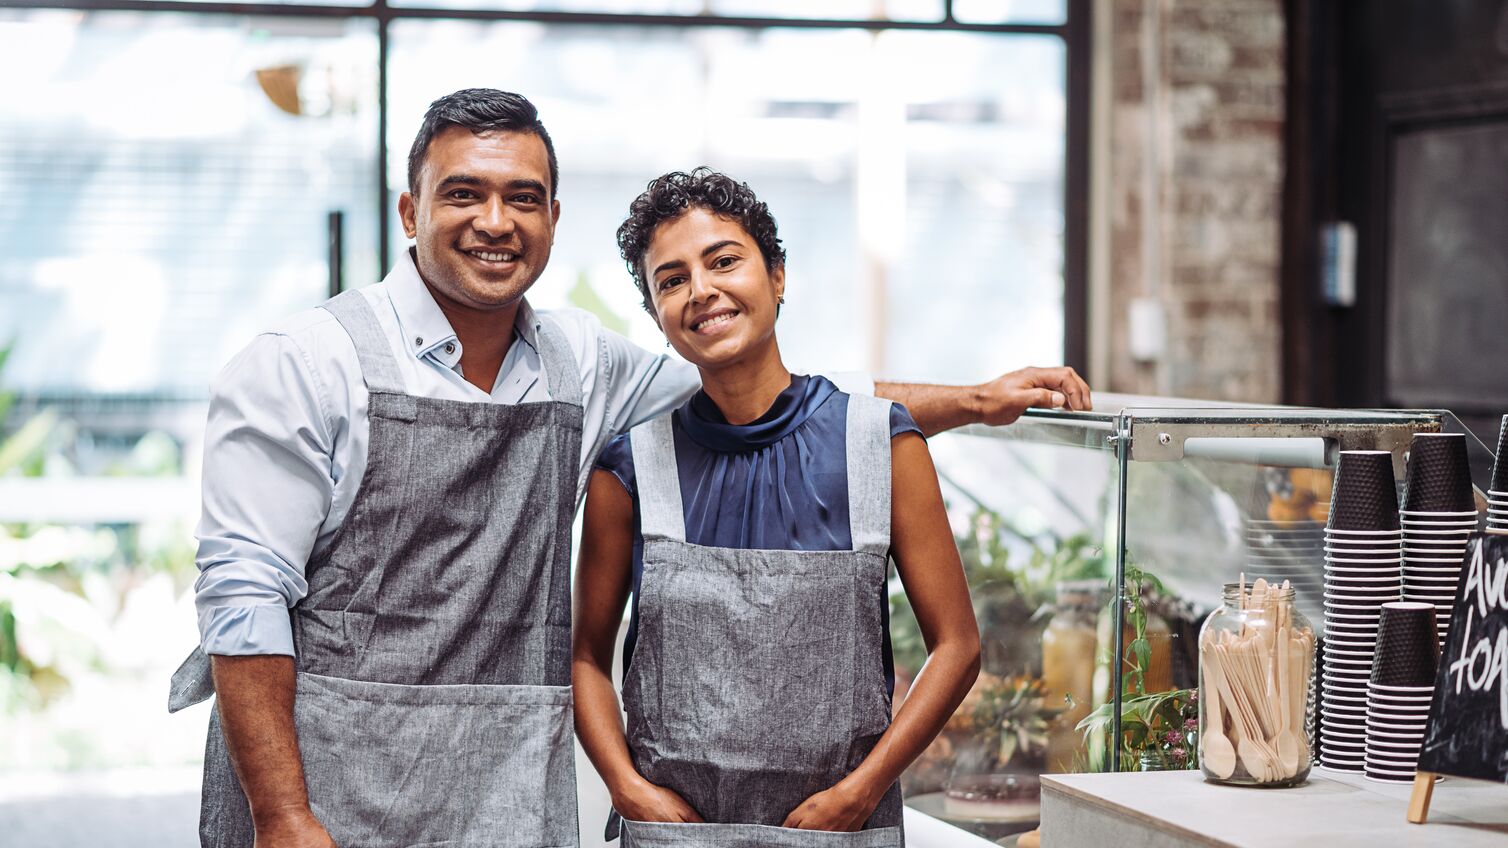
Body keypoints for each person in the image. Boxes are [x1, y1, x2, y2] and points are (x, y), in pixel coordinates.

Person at [167, 88, 1091, 848]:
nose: (496, 221)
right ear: (411, 211)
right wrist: (283, 816)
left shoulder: (581, 364)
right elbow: (243, 596)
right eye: (464, 194)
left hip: (502, 792)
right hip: (327, 790)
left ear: (552, 218)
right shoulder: (303, 362)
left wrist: (975, 401)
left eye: (523, 198)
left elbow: (775, 392)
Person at [572, 168, 983, 847]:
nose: (701, 290)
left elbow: (958, 646)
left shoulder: (882, 442)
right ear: (657, 317)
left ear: (778, 276)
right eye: (671, 281)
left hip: (840, 829)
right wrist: (627, 788)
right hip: (675, 836)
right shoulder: (631, 467)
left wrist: (861, 790)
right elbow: (586, 654)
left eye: (724, 261)